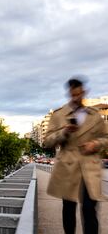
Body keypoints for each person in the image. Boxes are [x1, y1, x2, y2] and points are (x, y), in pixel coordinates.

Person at [44, 78, 108, 234]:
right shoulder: (59, 115)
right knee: (69, 208)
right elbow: (47, 142)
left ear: (83, 92)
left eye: (79, 94)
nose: (76, 98)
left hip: (89, 167)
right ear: (69, 93)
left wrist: (96, 144)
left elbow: (106, 137)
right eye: (73, 95)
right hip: (68, 167)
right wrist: (64, 131)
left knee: (89, 208)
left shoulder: (95, 115)